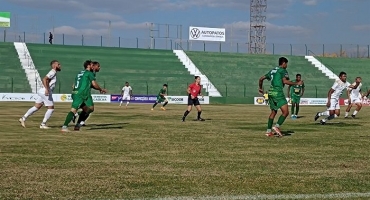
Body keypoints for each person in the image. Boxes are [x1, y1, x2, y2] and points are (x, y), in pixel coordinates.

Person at [258, 57, 303, 137]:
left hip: (271, 93)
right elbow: (285, 81)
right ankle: (277, 126)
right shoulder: (283, 70)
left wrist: (260, 88)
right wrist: (297, 83)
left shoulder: (273, 70)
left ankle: (268, 131)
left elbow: (261, 79)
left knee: (273, 112)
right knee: (286, 112)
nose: (287, 66)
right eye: (286, 64)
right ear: (284, 63)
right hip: (278, 93)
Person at [61, 60, 107, 132]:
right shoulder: (89, 73)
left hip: (77, 93)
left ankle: (77, 124)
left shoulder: (80, 73)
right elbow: (94, 84)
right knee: (73, 110)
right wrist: (100, 89)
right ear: (89, 66)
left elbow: (73, 85)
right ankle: (65, 127)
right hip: (82, 94)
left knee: (90, 109)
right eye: (92, 65)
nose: (93, 66)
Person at [19, 60, 61, 128]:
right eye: (58, 64)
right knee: (51, 108)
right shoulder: (52, 72)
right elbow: (44, 79)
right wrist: (47, 89)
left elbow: (47, 80)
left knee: (37, 106)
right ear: (54, 65)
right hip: (45, 92)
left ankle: (23, 118)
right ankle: (43, 124)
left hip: (42, 91)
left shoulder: (54, 72)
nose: (60, 66)